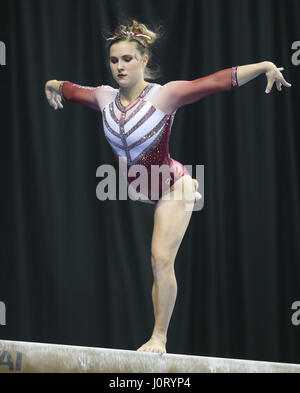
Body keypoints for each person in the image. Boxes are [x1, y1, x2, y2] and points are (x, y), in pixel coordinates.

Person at [45, 20, 292, 354]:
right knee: (154, 249)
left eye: (128, 59)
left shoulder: (165, 96)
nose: (120, 66)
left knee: (160, 258)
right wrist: (52, 85)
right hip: (137, 185)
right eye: (114, 60)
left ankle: (159, 336)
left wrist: (263, 65)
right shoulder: (104, 98)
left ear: (144, 60)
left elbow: (216, 82)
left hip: (173, 187)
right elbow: (67, 88)